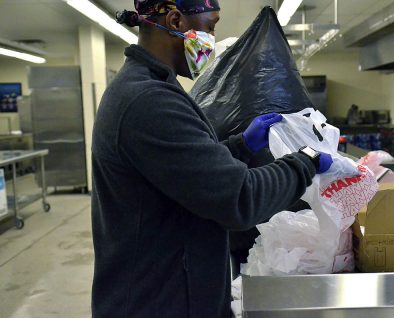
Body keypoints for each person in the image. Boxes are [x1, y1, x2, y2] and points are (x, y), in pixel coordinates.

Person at [91, 0, 333, 317]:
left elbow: (187, 173)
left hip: (171, 293)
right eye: (211, 25)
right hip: (158, 303)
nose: (211, 37)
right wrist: (306, 160)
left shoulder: (151, 88)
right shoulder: (149, 101)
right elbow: (239, 199)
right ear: (175, 20)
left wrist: (242, 146)